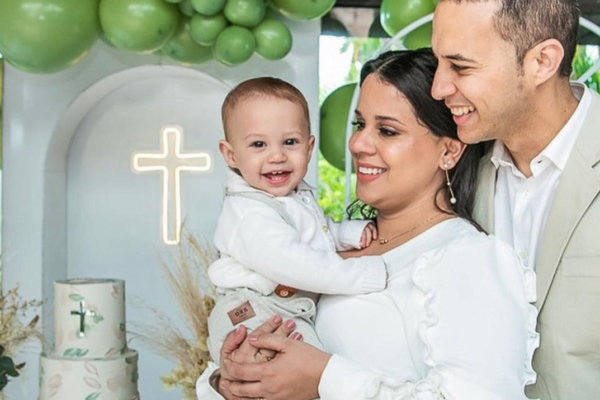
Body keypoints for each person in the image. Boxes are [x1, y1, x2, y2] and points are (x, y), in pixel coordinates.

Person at [196, 48, 538, 400]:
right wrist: (229, 381)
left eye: (387, 131)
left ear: (448, 151)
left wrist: (324, 378)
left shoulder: (467, 259)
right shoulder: (331, 241)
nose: (357, 143)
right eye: (360, 124)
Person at [431, 1, 600, 398]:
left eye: (461, 66)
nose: (438, 88)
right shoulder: (453, 168)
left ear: (542, 61)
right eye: (438, 62)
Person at [206, 77, 388, 363]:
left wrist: (346, 234)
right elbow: (294, 261)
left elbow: (311, 233)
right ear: (230, 154)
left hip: (281, 309)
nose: (277, 155)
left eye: (290, 142)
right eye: (258, 144)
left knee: (307, 372)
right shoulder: (247, 213)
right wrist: (361, 275)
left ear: (309, 146)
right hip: (250, 315)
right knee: (304, 369)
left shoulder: (290, 197)